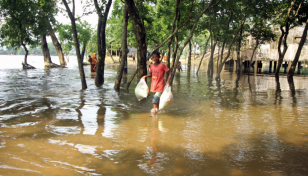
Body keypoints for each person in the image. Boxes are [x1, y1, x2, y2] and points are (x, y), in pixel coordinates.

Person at [141, 50, 172, 115]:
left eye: (156, 57)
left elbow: (170, 73)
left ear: (159, 57)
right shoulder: (151, 66)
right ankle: (157, 113)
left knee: (155, 100)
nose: (155, 58)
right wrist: (145, 76)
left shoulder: (162, 65)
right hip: (153, 86)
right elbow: (152, 75)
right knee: (156, 101)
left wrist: (168, 81)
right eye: (153, 57)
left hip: (160, 86)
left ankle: (154, 115)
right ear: (151, 57)